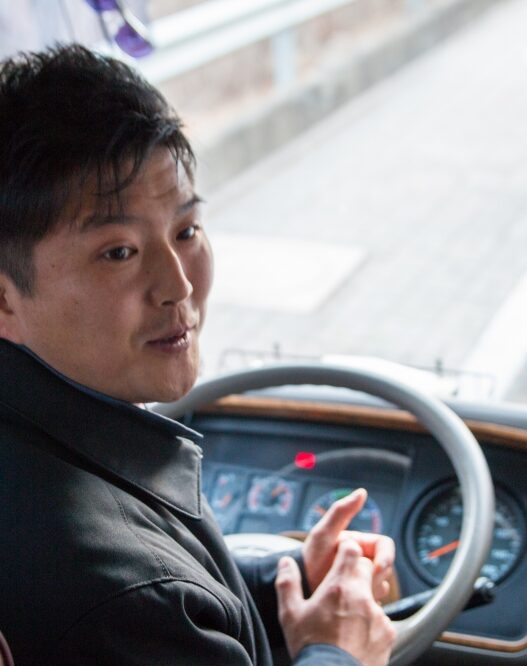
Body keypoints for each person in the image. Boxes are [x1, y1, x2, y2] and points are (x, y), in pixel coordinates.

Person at [0, 45, 396, 665]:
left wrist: (286, 579)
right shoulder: (121, 596)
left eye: (186, 231)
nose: (178, 285)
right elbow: (148, 602)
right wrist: (341, 651)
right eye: (119, 253)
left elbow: (177, 609)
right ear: (4, 297)